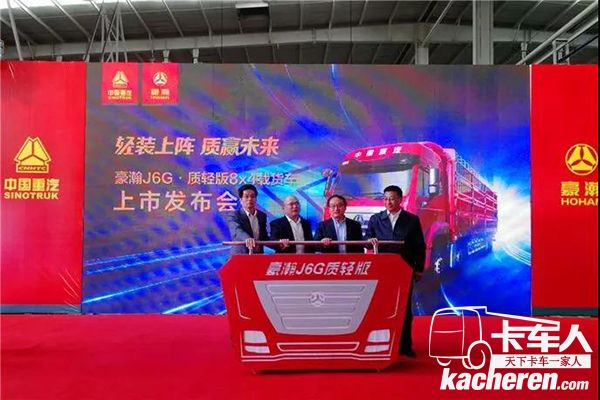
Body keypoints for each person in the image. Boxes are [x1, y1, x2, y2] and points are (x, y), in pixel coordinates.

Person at [366, 185, 425, 358]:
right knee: (382, 308)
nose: (388, 202)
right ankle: (381, 346)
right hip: (382, 270)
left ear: (400, 199)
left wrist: (419, 269)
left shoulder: (411, 220)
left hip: (404, 269)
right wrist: (369, 240)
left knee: (404, 308)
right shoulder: (376, 219)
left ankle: (405, 346)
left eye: (391, 198)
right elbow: (366, 240)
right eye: (385, 199)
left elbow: (419, 246)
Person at [226, 184, 269, 254]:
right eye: (246, 196)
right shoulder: (234, 215)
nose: (250, 199)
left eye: (252, 196)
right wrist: (247, 238)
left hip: (258, 255)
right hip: (240, 255)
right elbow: (237, 231)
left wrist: (279, 244)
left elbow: (264, 237)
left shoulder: (262, 216)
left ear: (256, 199)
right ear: (241, 200)